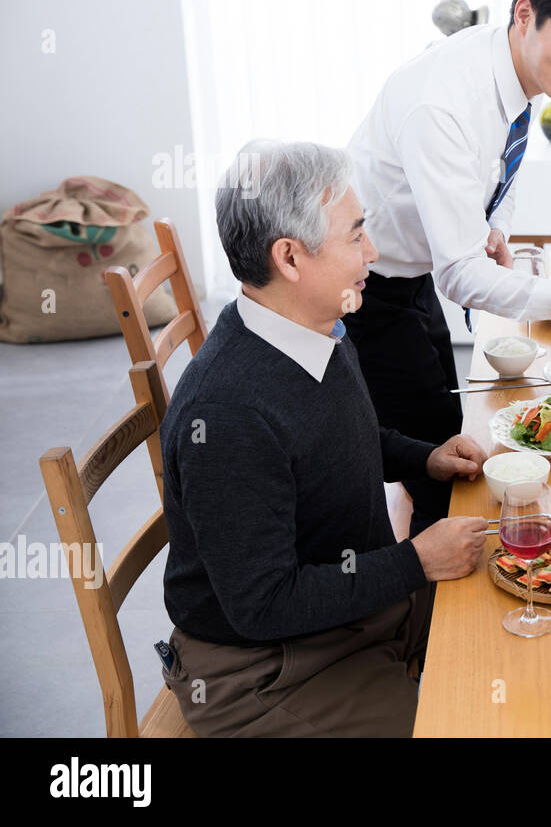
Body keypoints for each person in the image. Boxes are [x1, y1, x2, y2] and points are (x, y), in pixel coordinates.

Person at [159, 140, 489, 736]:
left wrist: (427, 459)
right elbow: (263, 604)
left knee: (512, 612)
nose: (374, 251)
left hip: (353, 609)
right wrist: (416, 559)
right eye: (355, 234)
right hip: (262, 668)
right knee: (461, 722)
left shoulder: (319, 328)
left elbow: (346, 436)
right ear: (290, 257)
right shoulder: (227, 414)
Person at [345, 0, 551, 536]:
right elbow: (458, 275)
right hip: (364, 290)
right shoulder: (445, 102)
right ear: (524, 15)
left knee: (455, 426)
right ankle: (428, 621)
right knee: (444, 472)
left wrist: (490, 227)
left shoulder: (509, 71)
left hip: (411, 271)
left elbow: (496, 166)